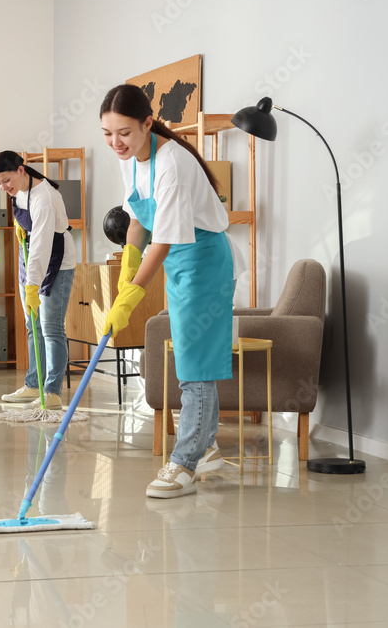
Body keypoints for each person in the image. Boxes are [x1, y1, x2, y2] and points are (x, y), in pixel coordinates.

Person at [99, 84, 243, 499]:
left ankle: (184, 462)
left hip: (201, 262)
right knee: (189, 353)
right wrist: (128, 264)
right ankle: (207, 446)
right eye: (108, 133)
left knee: (195, 363)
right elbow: (138, 218)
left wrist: (132, 295)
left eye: (124, 132)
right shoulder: (131, 160)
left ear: (147, 124)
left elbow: (163, 241)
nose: (116, 143)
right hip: (179, 259)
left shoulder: (173, 164)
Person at [0, 151, 76, 409]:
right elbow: (32, 238)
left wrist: (32, 285)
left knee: (51, 328)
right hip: (28, 257)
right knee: (32, 325)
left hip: (55, 262)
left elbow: (42, 244)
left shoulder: (46, 197)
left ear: (21, 170)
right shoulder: (19, 190)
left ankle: (52, 392)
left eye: (7, 180)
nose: (5, 188)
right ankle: (32, 385)